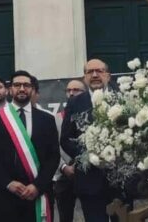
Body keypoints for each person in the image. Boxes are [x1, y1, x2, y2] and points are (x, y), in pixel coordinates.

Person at [0, 70, 59, 222]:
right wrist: (8, 183)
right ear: (10, 89)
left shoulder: (47, 119)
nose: (22, 89)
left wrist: (37, 186)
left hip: (36, 193)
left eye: (26, 85)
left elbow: (53, 157)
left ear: (32, 89)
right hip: (5, 193)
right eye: (17, 85)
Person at [61, 59, 115, 222]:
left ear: (108, 75)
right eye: (90, 72)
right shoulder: (74, 103)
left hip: (119, 179)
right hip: (89, 180)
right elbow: (66, 139)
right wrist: (90, 155)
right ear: (84, 77)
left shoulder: (122, 98)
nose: (95, 75)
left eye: (99, 71)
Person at [54, 80, 86, 222]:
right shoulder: (57, 118)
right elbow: (52, 147)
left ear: (85, 93)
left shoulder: (92, 115)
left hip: (88, 173)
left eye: (76, 90)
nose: (71, 93)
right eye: (69, 90)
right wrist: (63, 167)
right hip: (65, 174)